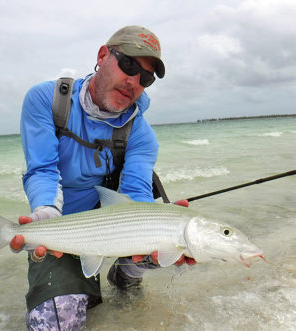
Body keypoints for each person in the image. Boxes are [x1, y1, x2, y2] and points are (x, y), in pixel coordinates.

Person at [10, 25, 195, 330]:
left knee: (165, 244)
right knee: (58, 323)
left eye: (145, 78)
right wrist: (45, 212)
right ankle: (82, 278)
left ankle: (127, 272)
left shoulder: (143, 135)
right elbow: (42, 169)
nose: (134, 82)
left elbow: (136, 191)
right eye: (129, 65)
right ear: (102, 56)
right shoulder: (48, 101)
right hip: (64, 228)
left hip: (117, 225)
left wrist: (158, 228)